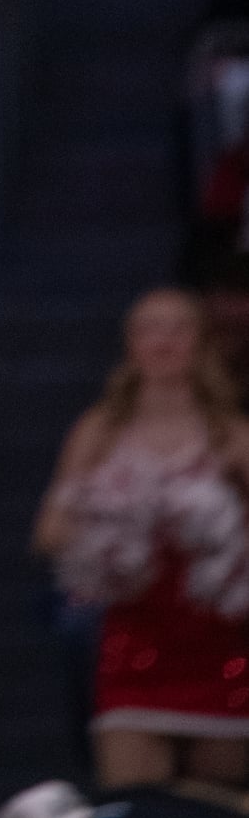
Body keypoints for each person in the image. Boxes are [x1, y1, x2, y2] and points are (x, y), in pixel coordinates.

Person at [35, 288, 249, 785]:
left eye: (178, 329)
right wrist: (107, 542)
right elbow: (49, 532)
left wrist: (219, 544)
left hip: (220, 648)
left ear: (201, 343)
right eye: (150, 329)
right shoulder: (100, 430)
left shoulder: (232, 434)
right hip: (133, 648)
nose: (164, 341)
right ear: (130, 344)